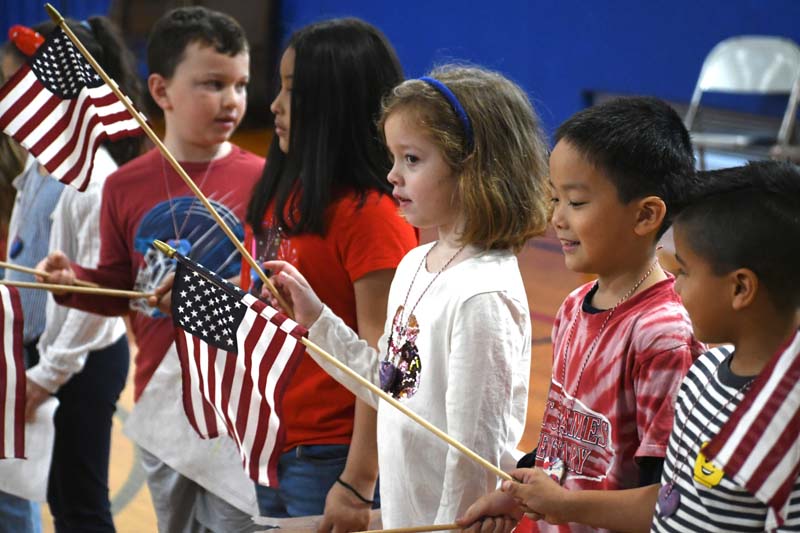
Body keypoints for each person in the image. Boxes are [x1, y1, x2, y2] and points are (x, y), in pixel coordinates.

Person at [260, 64, 551, 527]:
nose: (393, 175)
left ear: (472, 166)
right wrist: (317, 319)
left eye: (412, 159)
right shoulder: (418, 262)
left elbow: (473, 454)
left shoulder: (483, 295)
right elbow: (388, 385)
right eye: (394, 158)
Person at [470, 161, 800, 532]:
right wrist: (527, 494)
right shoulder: (703, 376)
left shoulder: (785, 416)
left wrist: (565, 504)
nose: (674, 287)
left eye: (684, 272)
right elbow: (669, 502)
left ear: (740, 288)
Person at [36, 7, 262, 532]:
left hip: (239, 408)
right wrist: (74, 285)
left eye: (241, 84)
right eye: (212, 84)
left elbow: (271, 292)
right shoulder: (124, 185)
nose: (231, 100)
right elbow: (120, 289)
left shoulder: (265, 180)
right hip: (162, 402)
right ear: (161, 92)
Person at [458, 96, 705, 533]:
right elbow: (562, 437)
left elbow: (664, 501)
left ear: (646, 215)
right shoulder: (575, 306)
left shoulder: (664, 334)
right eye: (554, 199)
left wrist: (563, 505)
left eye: (576, 202)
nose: (557, 218)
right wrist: (517, 496)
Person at [239, 18, 417, 529]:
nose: (273, 104)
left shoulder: (372, 216)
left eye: (292, 91)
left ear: (335, 106)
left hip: (330, 457)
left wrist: (357, 481)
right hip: (275, 441)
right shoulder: (288, 193)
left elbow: (386, 365)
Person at [0, 17, 142, 533]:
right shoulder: (41, 161)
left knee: (80, 507)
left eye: (17, 85)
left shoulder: (95, 179)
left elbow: (94, 301)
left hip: (78, 362)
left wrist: (47, 374)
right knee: (46, 494)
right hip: (40, 349)